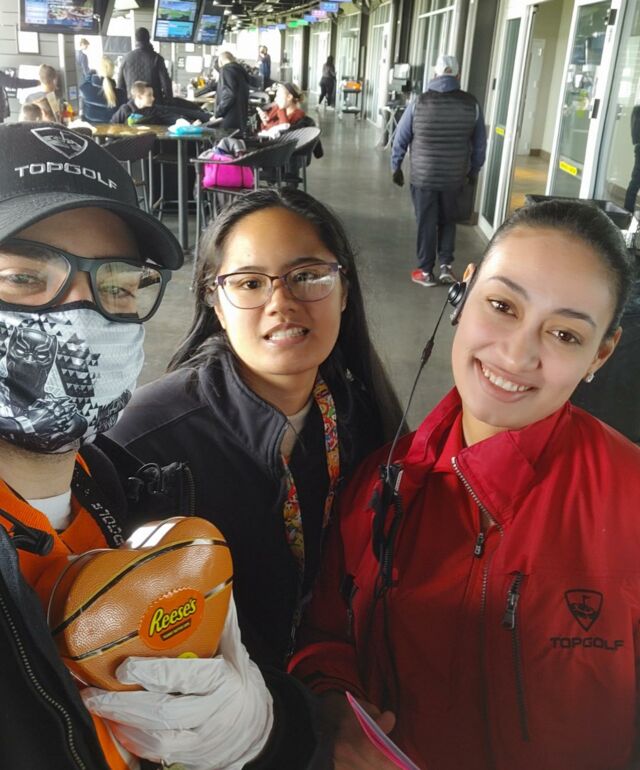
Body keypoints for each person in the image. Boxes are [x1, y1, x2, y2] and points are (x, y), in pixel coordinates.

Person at [289, 198, 640, 770]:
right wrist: (334, 708)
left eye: (565, 335)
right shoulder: (379, 483)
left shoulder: (631, 500)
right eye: (502, 306)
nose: (517, 354)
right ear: (463, 292)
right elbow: (325, 636)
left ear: (601, 352)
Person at [0, 121, 282, 770]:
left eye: (118, 285)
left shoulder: (138, 495)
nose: (81, 315)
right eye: (23, 278)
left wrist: (263, 730)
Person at [108, 188, 404, 671]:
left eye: (306, 276)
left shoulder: (368, 423)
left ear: (344, 292)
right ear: (217, 304)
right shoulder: (142, 444)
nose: (281, 303)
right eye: (249, 283)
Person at [392, 54, 487, 288]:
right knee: (448, 220)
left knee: (426, 222)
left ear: (434, 74)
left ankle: (425, 271)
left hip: (423, 177)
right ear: (458, 75)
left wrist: (396, 165)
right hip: (454, 177)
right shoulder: (471, 104)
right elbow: (480, 144)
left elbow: (401, 137)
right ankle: (446, 266)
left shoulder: (419, 102)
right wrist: (473, 170)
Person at [111, 80, 212, 125]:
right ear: (139, 97)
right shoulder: (125, 110)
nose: (153, 98)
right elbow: (112, 127)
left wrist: (188, 123)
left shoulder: (154, 110)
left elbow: (172, 116)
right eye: (149, 95)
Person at [117, 27, 173, 105]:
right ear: (149, 38)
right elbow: (166, 85)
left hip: (133, 105)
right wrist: (169, 102)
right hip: (154, 105)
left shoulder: (126, 58)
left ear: (136, 39)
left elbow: (120, 86)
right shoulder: (157, 58)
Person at [79, 56, 126, 123]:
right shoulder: (121, 94)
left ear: (97, 70)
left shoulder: (85, 90)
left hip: (90, 129)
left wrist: (89, 75)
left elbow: (82, 116)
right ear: (113, 72)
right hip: (113, 129)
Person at [215, 51, 250, 130]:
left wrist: (218, 112)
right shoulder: (241, 71)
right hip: (240, 119)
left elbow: (229, 95)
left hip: (228, 119)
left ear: (220, 61)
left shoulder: (226, 70)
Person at [624, 104, 640, 213]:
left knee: (635, 182)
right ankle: (628, 212)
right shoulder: (638, 111)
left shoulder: (637, 110)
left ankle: (627, 212)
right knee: (635, 182)